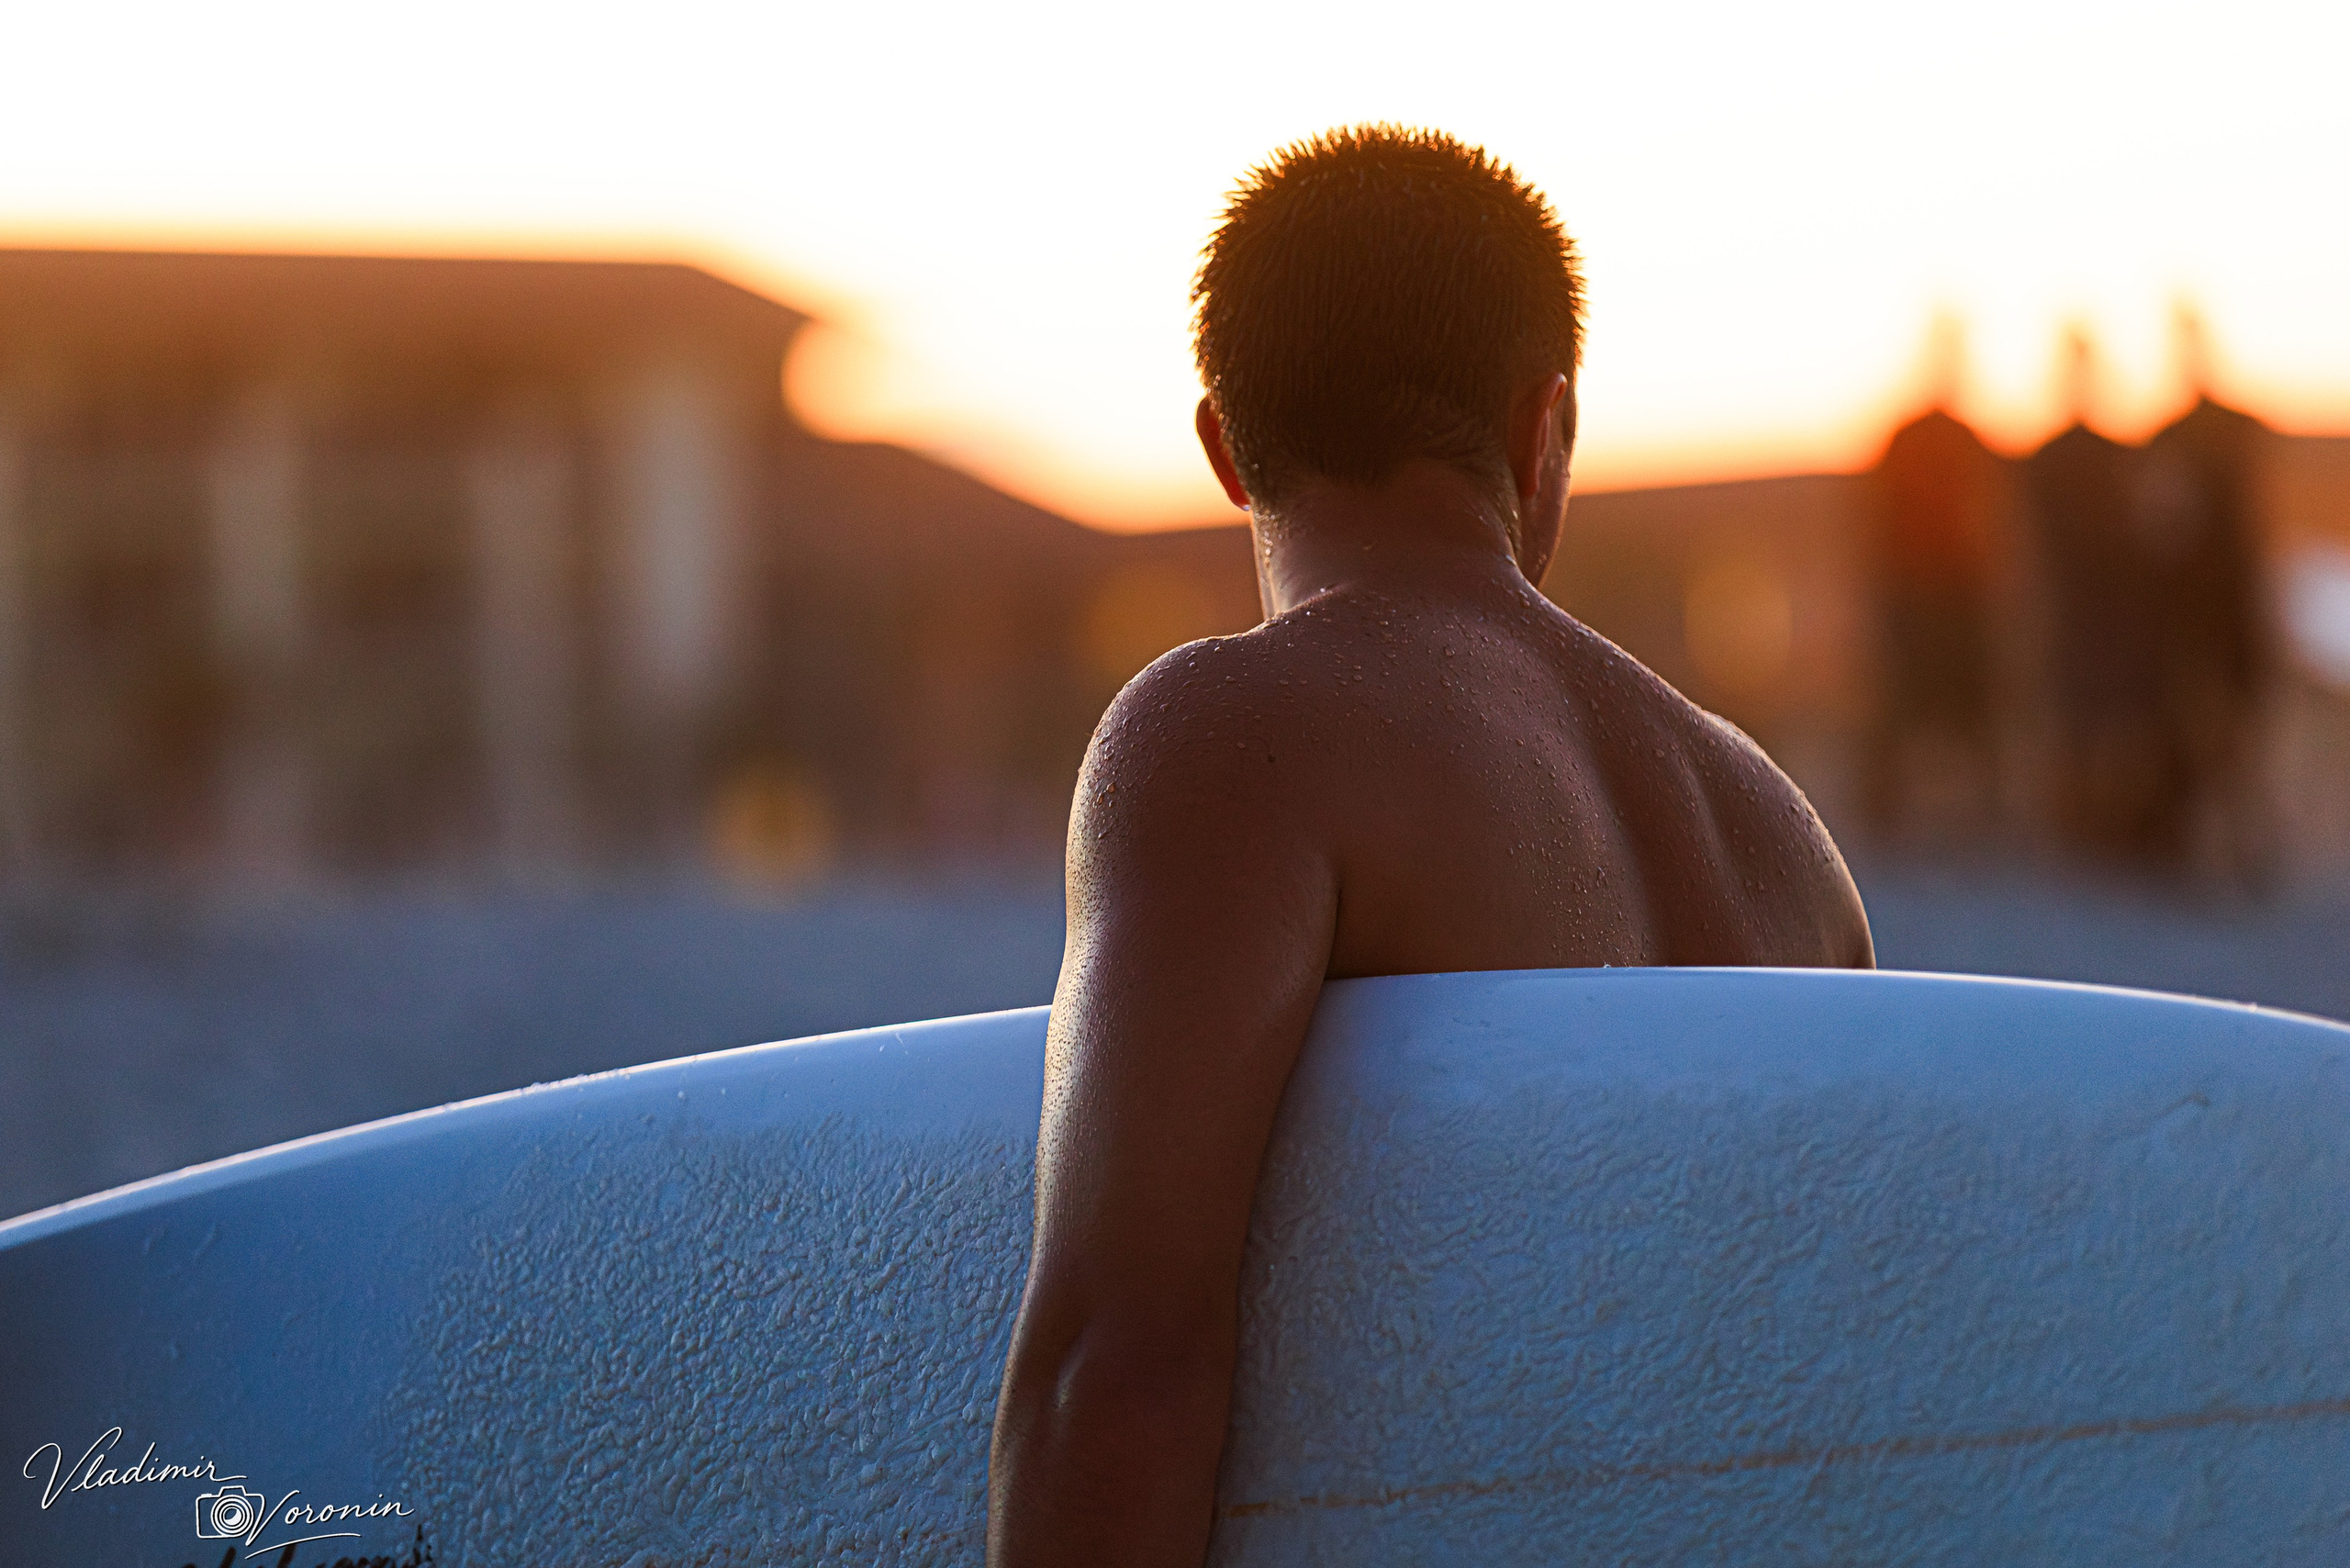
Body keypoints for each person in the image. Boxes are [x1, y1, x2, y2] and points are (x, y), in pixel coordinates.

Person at [986, 126, 1874, 1568]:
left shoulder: (1236, 738)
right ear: (1543, 430)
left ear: (1224, 449)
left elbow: (1119, 1367)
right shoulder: (1777, 833)